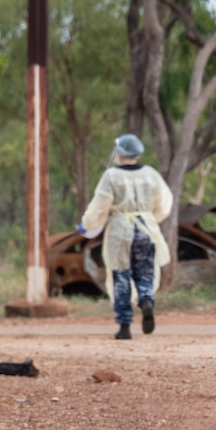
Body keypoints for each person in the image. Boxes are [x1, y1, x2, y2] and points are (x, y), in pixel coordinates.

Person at [77, 134, 173, 340]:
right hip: (146, 230)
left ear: (120, 153)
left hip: (120, 231)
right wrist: (150, 218)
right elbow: (164, 202)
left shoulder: (111, 176)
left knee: (121, 276)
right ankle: (146, 299)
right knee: (145, 272)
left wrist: (87, 225)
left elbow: (100, 207)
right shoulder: (150, 174)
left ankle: (124, 325)